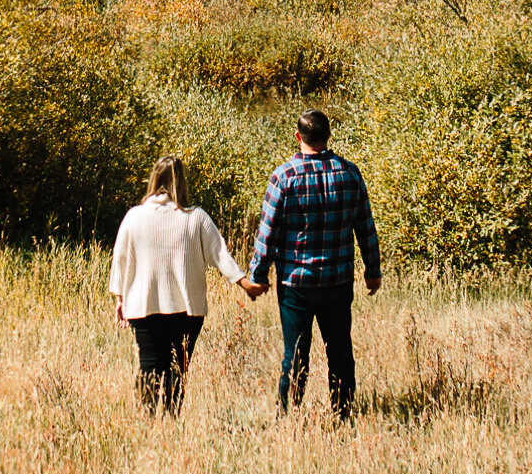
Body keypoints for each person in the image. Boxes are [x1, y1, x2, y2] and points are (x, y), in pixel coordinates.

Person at [241, 108, 381, 418]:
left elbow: (268, 233)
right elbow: (365, 226)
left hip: (296, 284)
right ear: (328, 135)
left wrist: (258, 276)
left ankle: (288, 415)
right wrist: (373, 271)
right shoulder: (349, 173)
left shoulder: (284, 177)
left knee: (295, 356)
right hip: (338, 280)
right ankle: (343, 413)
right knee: (340, 351)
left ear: (298, 136)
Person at [108, 155, 249, 416]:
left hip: (143, 304)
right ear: (181, 182)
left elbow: (121, 259)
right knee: (177, 369)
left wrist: (120, 298)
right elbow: (220, 254)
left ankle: (148, 424)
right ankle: (171, 419)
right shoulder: (195, 218)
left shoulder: (134, 217)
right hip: (186, 308)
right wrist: (243, 281)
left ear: (153, 180)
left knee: (149, 367)